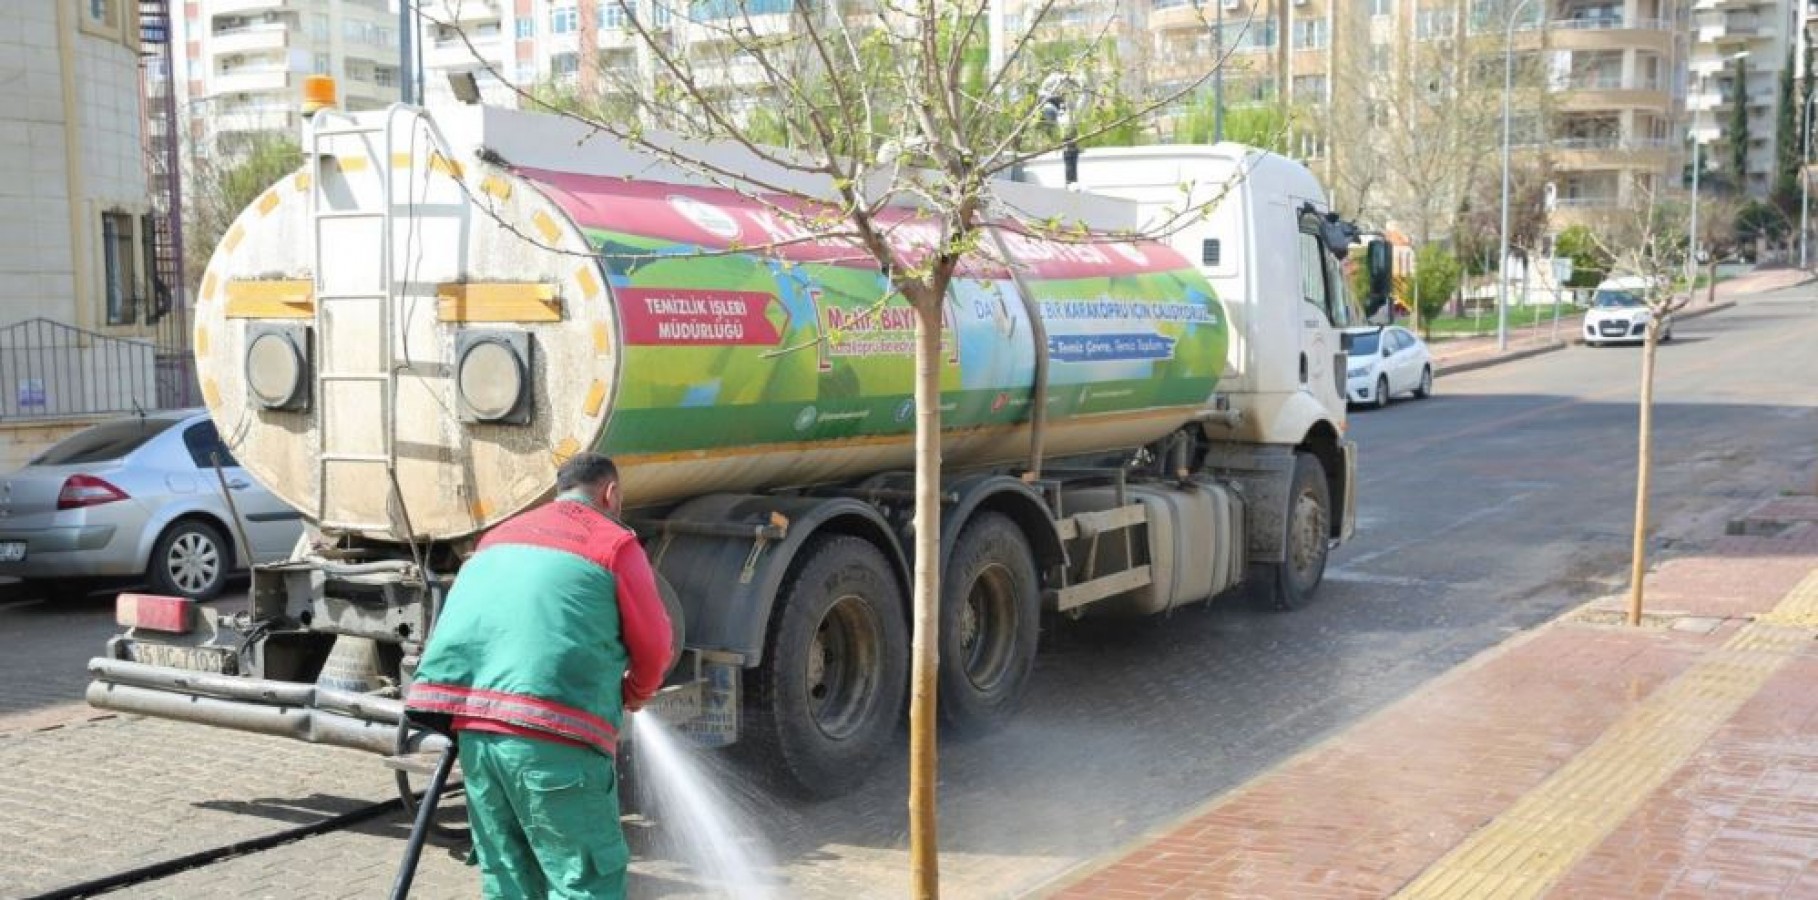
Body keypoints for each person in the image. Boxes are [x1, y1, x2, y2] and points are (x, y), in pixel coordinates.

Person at [406, 453, 672, 899]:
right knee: (583, 880)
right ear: (610, 493)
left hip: (477, 735)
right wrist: (635, 693)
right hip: (554, 740)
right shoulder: (614, 543)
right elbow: (656, 646)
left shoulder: (497, 538)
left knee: (508, 877)